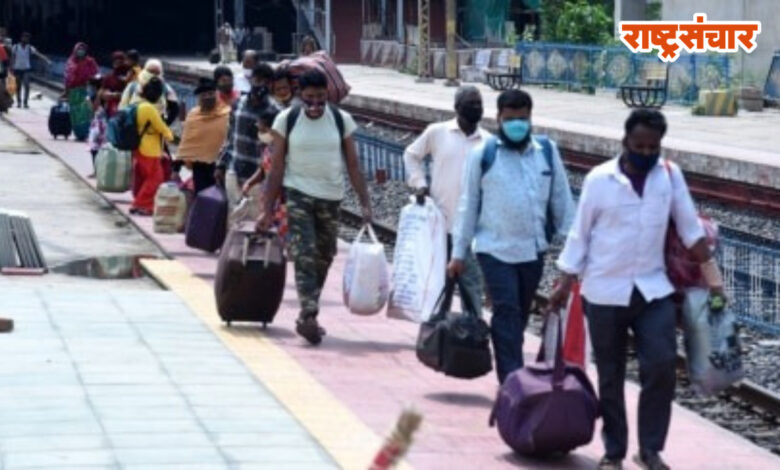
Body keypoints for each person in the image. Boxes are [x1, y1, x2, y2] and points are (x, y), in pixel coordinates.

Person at [549, 109, 724, 470]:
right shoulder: (600, 180)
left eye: (653, 147)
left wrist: (715, 282)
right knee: (610, 374)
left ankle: (650, 450)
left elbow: (690, 230)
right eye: (639, 145)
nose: (646, 152)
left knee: (660, 366)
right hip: (603, 290)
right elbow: (580, 235)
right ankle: (614, 451)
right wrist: (565, 282)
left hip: (652, 289)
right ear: (624, 142)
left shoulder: (670, 177)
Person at [448, 89, 575, 384]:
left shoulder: (547, 151)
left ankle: (512, 368)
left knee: (519, 316)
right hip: (494, 250)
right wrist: (458, 254)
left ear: (531, 118)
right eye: (510, 119)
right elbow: (468, 205)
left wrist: (572, 253)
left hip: (533, 251)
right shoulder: (483, 155)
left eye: (522, 118)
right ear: (498, 118)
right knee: (506, 311)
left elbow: (562, 202)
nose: (517, 124)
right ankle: (512, 382)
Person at [258, 69, 373, 345]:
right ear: (300, 96)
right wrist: (267, 208)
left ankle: (308, 310)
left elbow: (353, 165)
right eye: (309, 99)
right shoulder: (287, 119)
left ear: (327, 96)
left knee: (325, 254)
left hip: (331, 197)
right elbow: (277, 168)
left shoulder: (340, 120)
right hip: (298, 193)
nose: (315, 105)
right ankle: (309, 313)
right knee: (304, 251)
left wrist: (365, 202)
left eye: (320, 99)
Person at [404, 85, 490, 313]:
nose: (476, 108)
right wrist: (420, 184)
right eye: (471, 103)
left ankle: (472, 339)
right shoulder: (437, 132)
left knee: (471, 291)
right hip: (440, 227)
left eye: (479, 104)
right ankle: (436, 336)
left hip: (472, 233)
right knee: (439, 290)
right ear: (457, 107)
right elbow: (411, 155)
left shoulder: (488, 142)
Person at [214, 62, 278, 222]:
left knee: (254, 221)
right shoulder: (238, 104)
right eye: (258, 79)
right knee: (233, 219)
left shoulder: (275, 111)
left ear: (270, 84)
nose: (261, 84)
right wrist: (221, 165)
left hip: (258, 176)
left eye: (266, 81)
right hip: (234, 170)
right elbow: (230, 137)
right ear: (251, 80)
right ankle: (231, 248)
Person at [175, 78, 230, 194]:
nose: (207, 97)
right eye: (204, 94)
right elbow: (186, 143)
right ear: (199, 97)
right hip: (199, 166)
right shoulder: (193, 115)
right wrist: (176, 168)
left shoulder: (226, 114)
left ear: (216, 94)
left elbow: (229, 140)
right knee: (202, 198)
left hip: (220, 165)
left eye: (210, 93)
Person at [129, 77, 174, 216]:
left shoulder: (139, 105)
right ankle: (140, 204)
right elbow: (161, 127)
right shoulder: (149, 108)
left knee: (145, 178)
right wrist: (170, 136)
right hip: (149, 149)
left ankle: (142, 204)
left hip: (140, 147)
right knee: (155, 178)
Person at [240, 108, 287, 238]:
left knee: (277, 236)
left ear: (271, 129)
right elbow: (263, 169)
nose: (259, 132)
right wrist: (250, 183)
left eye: (261, 128)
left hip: (280, 200)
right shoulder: (268, 147)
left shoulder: (283, 149)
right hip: (267, 198)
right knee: (266, 232)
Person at [119, 59, 179, 126]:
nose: (153, 75)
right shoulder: (133, 86)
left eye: (157, 73)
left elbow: (175, 109)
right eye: (151, 72)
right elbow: (122, 109)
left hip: (146, 129)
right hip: (140, 129)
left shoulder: (166, 89)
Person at [64, 42, 99, 141]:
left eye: (83, 49)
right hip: (74, 92)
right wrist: (66, 92)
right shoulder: (71, 62)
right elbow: (67, 78)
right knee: (75, 114)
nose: (81, 51)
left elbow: (96, 74)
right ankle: (78, 134)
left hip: (87, 90)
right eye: (79, 49)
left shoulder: (90, 62)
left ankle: (87, 132)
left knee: (87, 111)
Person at [11, 32, 52, 109]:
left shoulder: (30, 48)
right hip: (17, 69)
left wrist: (47, 60)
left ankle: (25, 102)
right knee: (18, 87)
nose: (25, 39)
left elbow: (38, 54)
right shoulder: (15, 47)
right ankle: (19, 102)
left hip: (26, 69)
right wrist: (11, 68)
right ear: (21, 38)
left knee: (27, 85)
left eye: (27, 38)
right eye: (24, 37)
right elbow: (12, 58)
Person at [87, 80, 108, 178]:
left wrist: (89, 101)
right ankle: (100, 171)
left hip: (98, 126)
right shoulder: (106, 93)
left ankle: (97, 171)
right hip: (104, 125)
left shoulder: (98, 95)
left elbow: (94, 108)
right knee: (101, 149)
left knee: (94, 149)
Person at [100, 51, 128, 117]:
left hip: (126, 109)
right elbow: (102, 93)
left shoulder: (129, 76)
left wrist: (119, 95)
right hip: (111, 111)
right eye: (115, 61)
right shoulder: (109, 77)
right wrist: (109, 95)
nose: (117, 63)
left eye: (120, 61)